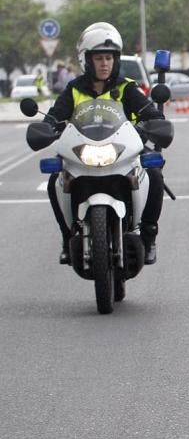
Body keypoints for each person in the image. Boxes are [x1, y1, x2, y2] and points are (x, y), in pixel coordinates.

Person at [44, 22, 165, 264]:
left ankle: (149, 237)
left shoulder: (126, 88)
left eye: (109, 58)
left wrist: (153, 123)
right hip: (82, 155)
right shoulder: (74, 89)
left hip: (123, 154)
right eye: (99, 58)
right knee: (53, 181)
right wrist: (47, 126)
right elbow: (55, 115)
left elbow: (151, 113)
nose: (105, 63)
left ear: (115, 59)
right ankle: (67, 237)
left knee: (154, 174)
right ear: (87, 60)